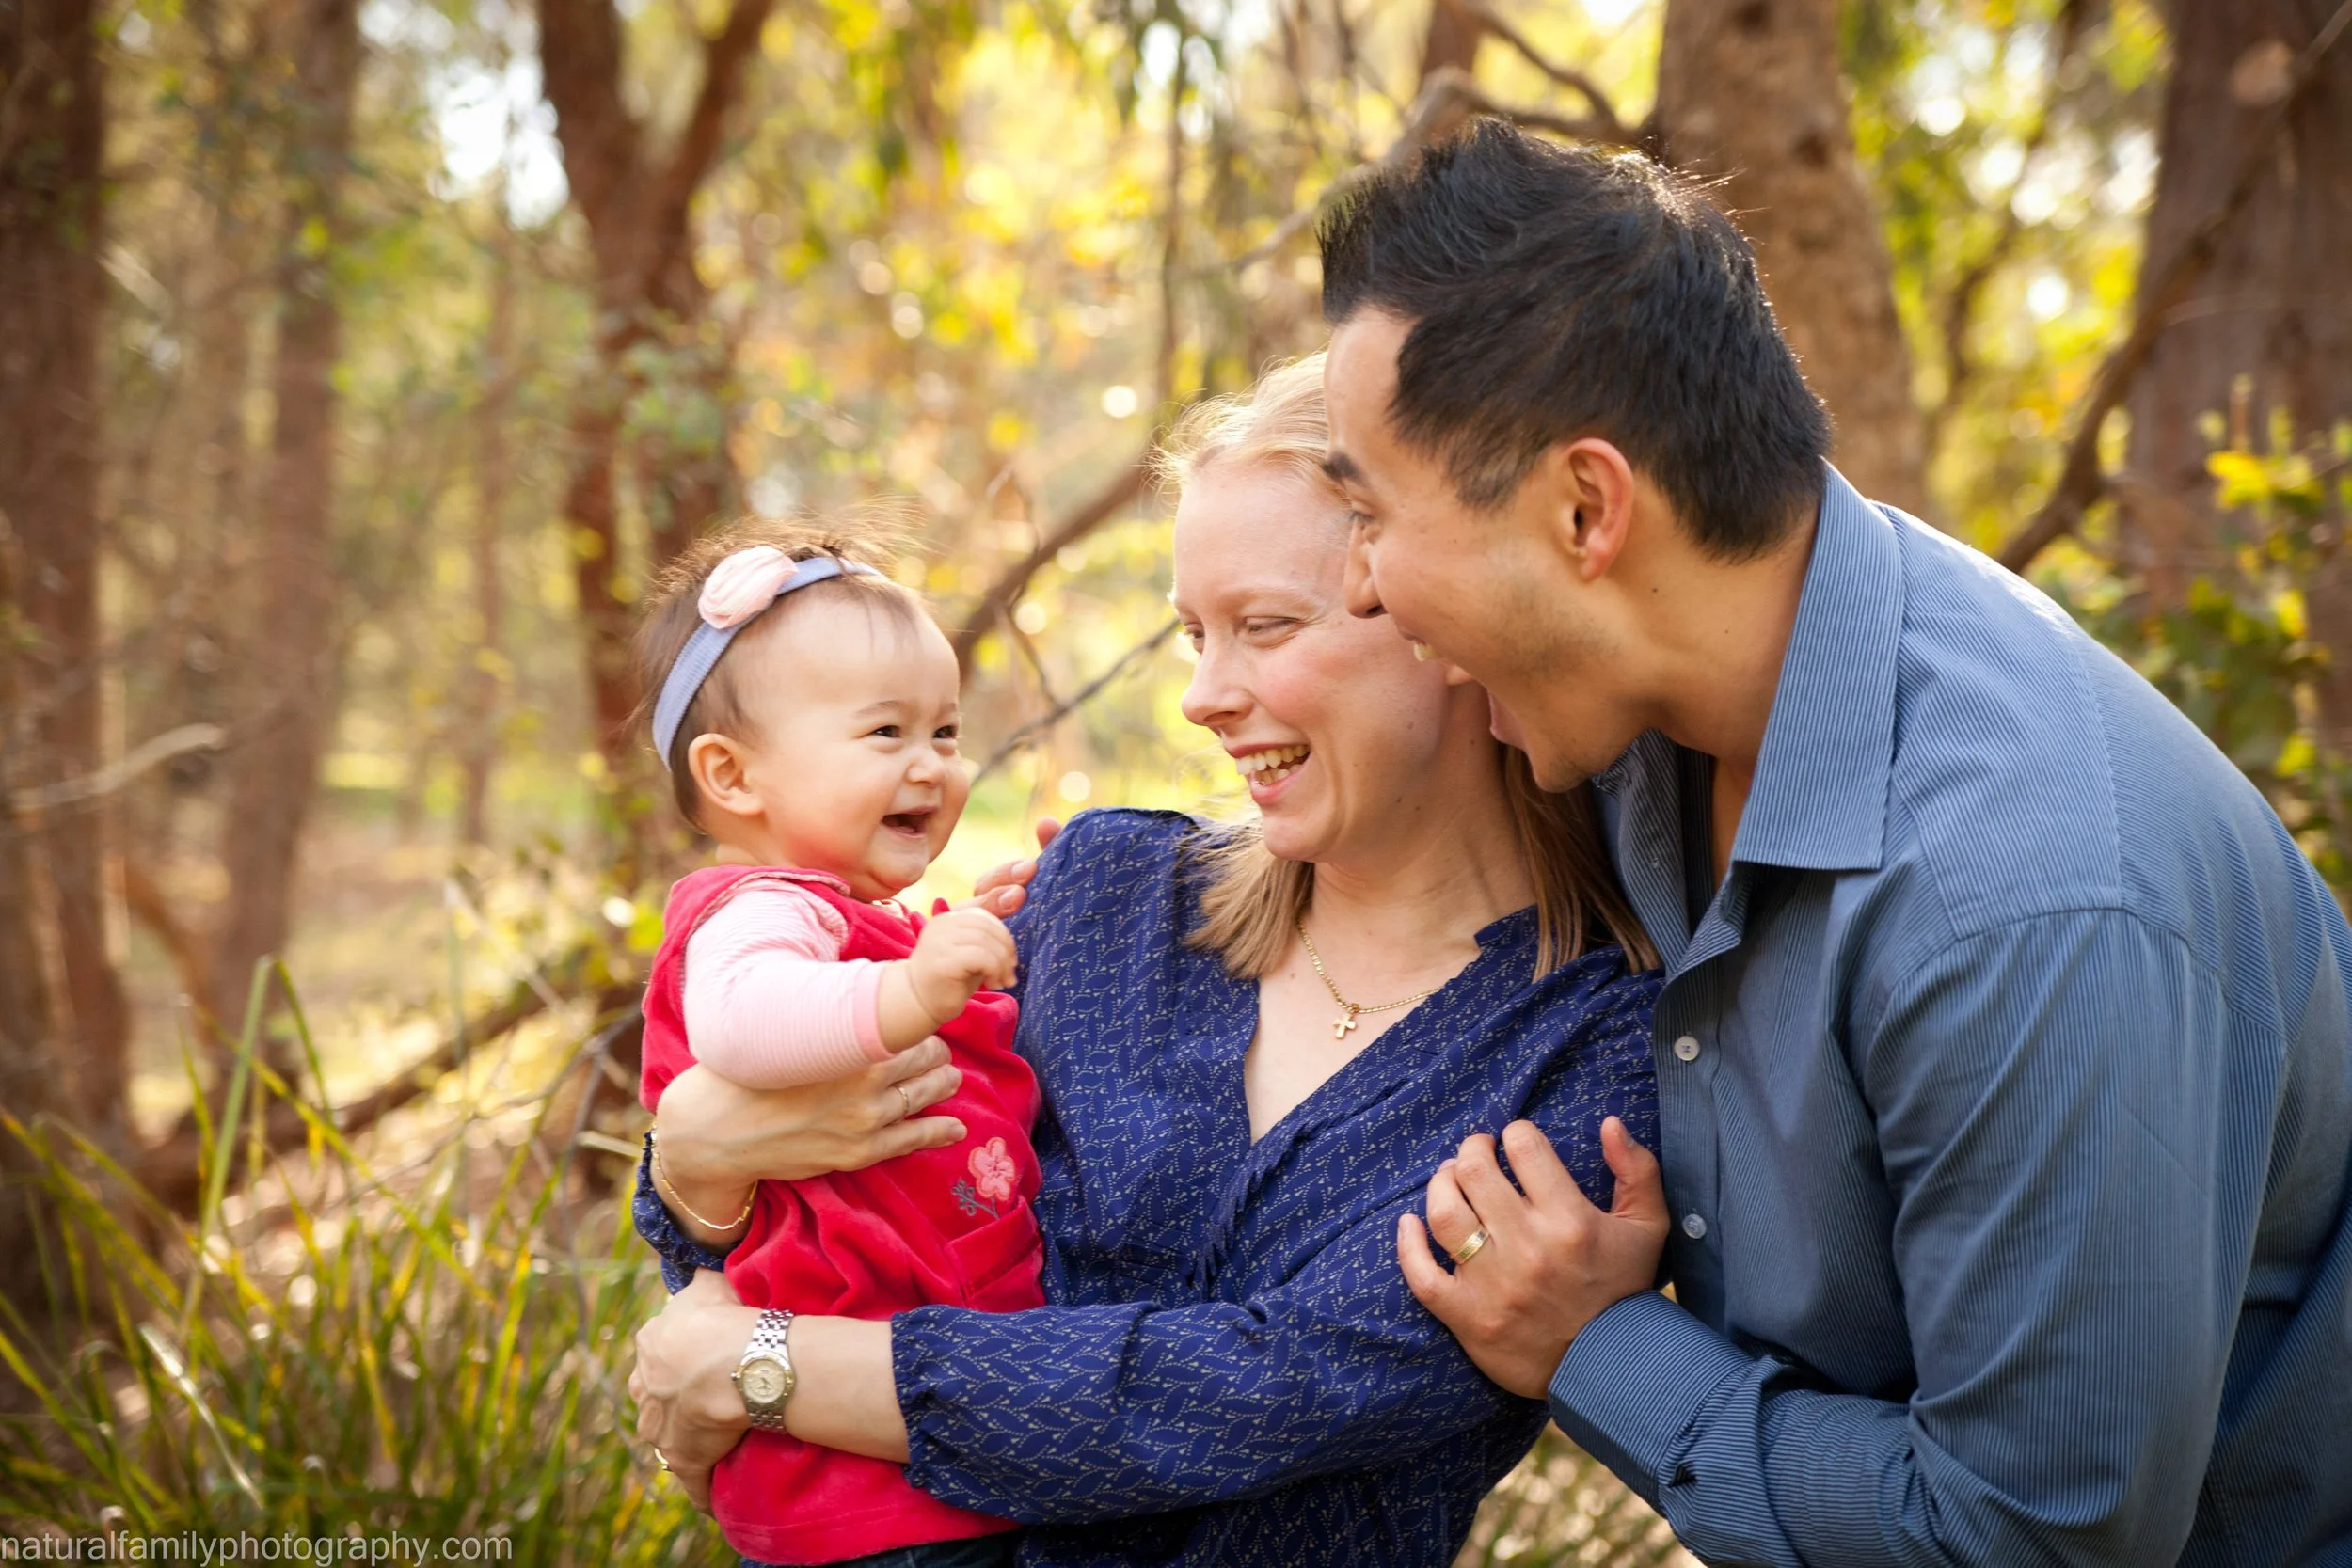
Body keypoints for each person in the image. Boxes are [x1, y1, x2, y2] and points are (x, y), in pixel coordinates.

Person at [1318, 119, 2352, 1565]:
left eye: (1369, 511)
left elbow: (2033, 1543)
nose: (1358, 586)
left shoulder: (2025, 899)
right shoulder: (1638, 709)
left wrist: (1598, 1346)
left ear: (1584, 507)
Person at [625, 356, 1664, 1567]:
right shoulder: (1108, 894)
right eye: (1190, 634)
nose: (1201, 697)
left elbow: (1258, 1392)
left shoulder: (1592, 1050)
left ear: (1447, 616)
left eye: (1263, 625)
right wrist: (690, 1177)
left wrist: (772, 1367)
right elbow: (832, 1206)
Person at [628, 522, 1040, 1568]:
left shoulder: (843, 919)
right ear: (734, 775)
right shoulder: (749, 913)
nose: (930, 766)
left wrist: (971, 950)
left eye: (944, 734)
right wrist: (909, 984)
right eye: (884, 733)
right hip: (852, 1481)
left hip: (917, 1434)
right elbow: (748, 1021)